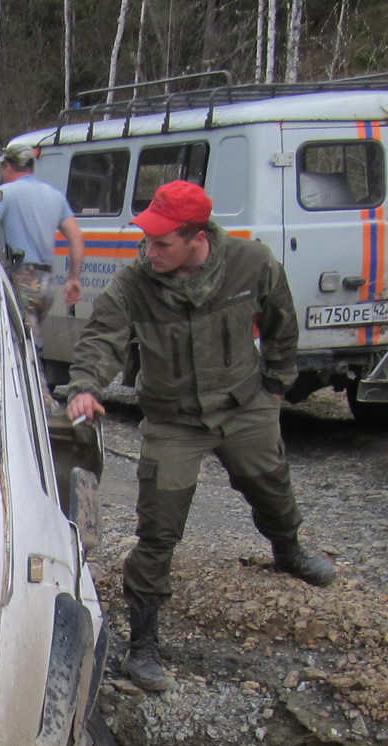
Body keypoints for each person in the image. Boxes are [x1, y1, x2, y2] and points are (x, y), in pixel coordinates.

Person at [63, 180, 334, 694]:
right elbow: (102, 339)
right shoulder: (135, 283)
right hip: (173, 419)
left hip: (244, 404)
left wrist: (277, 383)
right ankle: (143, 645)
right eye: (147, 240)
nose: (150, 251)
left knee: (270, 484)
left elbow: (282, 319)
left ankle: (289, 549)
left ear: (197, 236)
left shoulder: (250, 262)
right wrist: (85, 387)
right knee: (158, 528)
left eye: (162, 242)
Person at [0, 145, 85, 331]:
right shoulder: (55, 196)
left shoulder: (6, 193)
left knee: (20, 341)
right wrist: (73, 279)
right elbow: (76, 237)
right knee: (31, 338)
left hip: (22, 280)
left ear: (8, 166)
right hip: (46, 283)